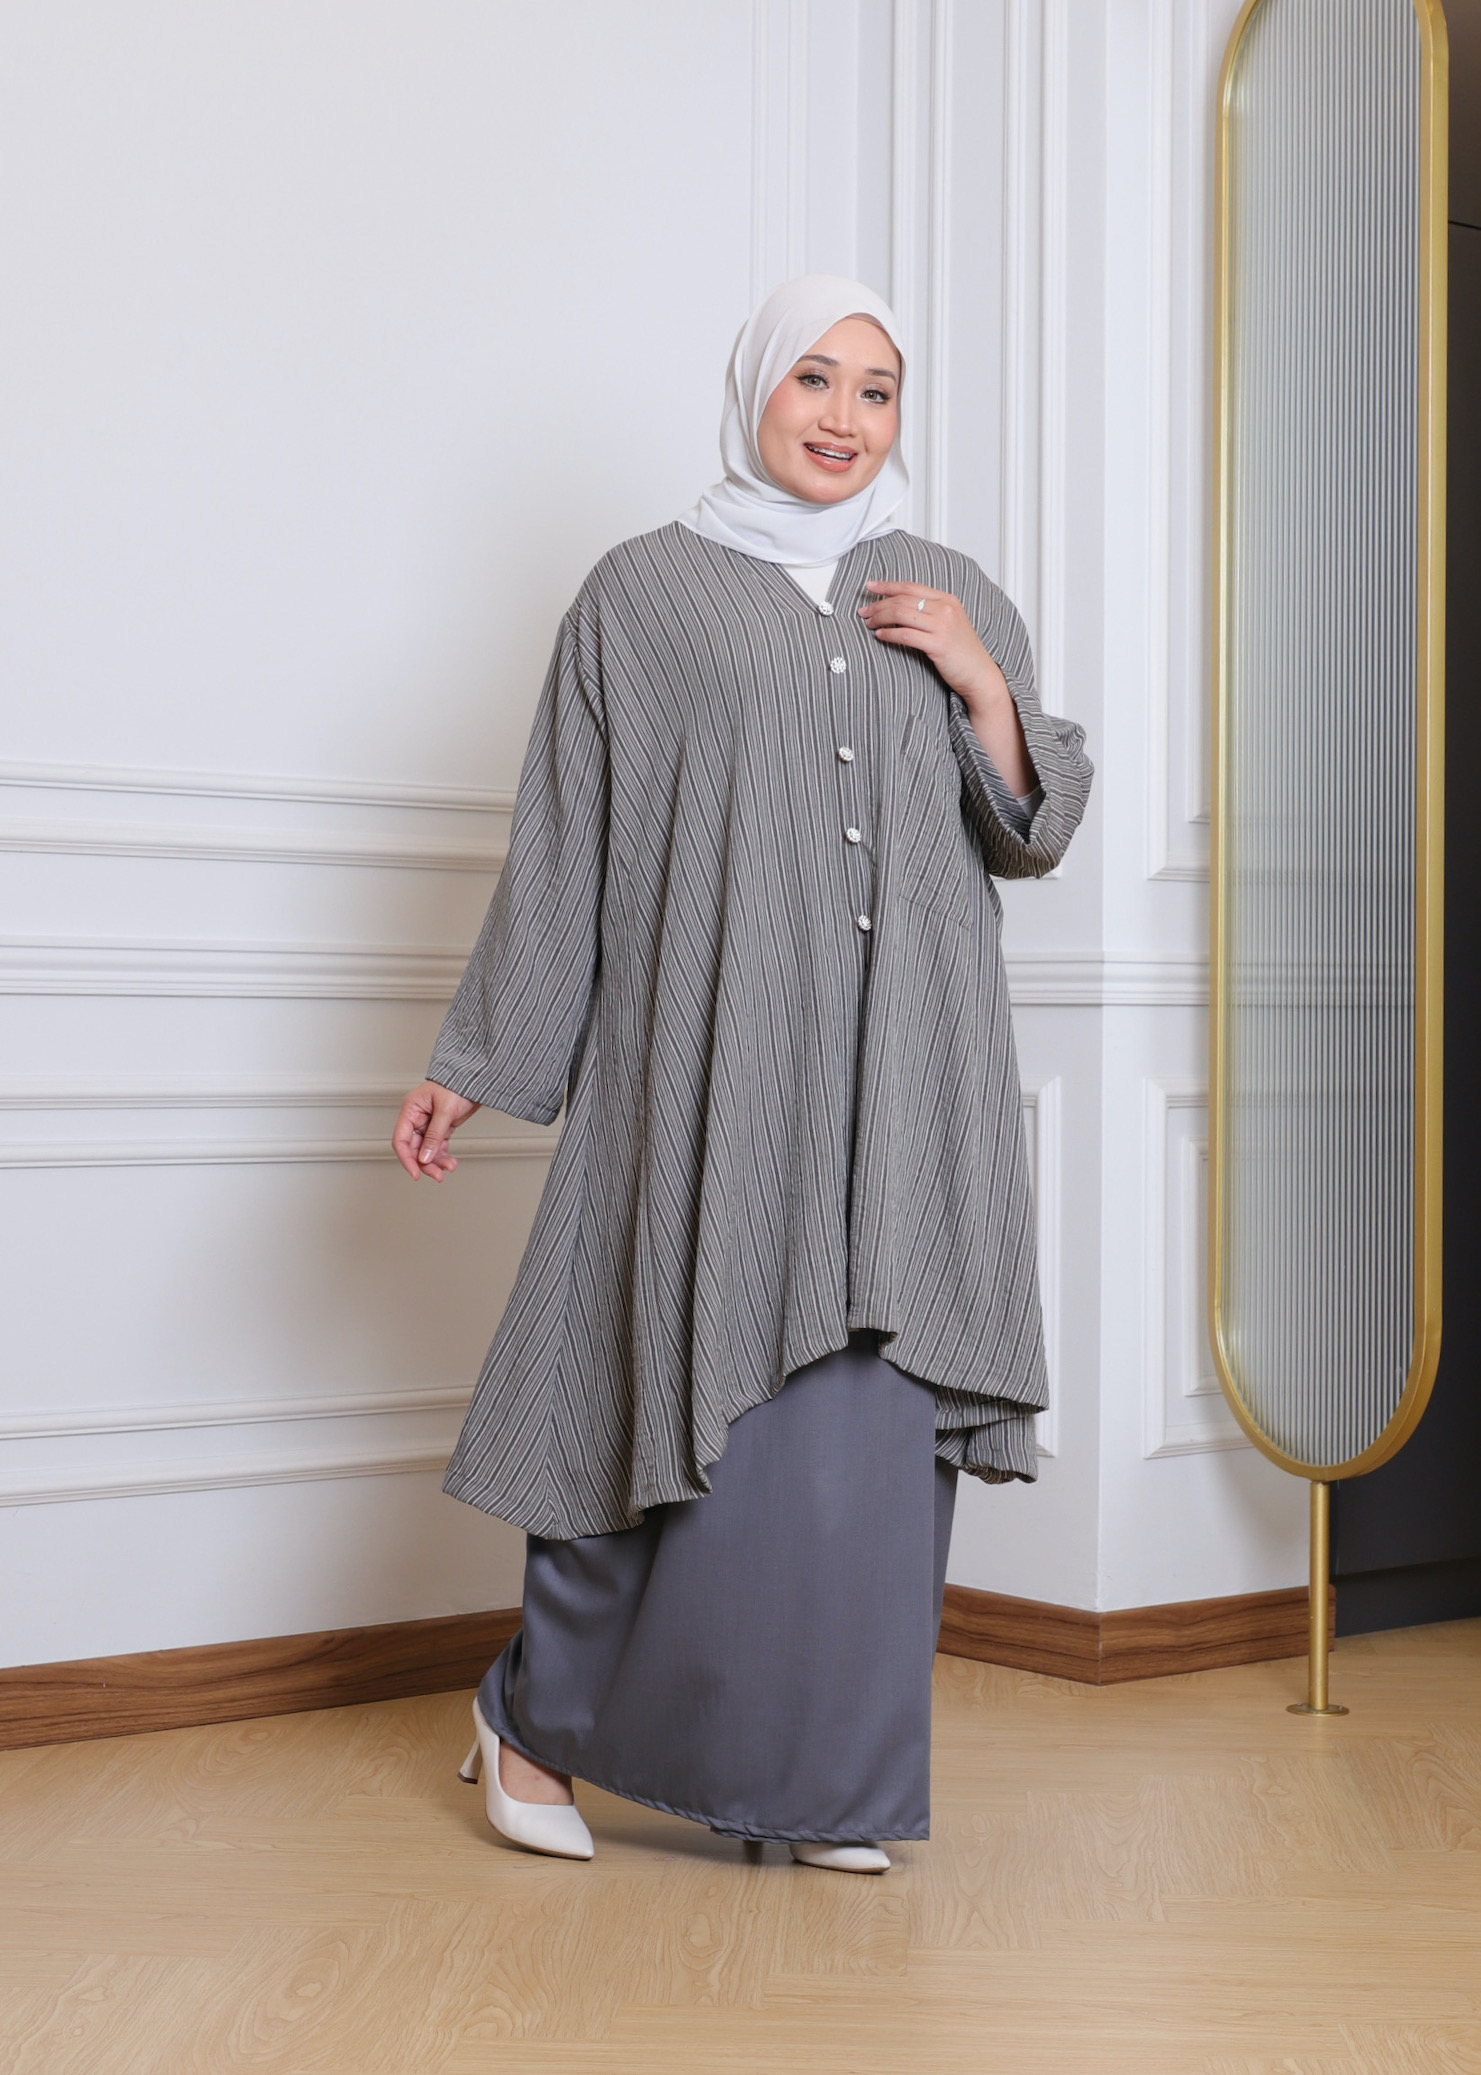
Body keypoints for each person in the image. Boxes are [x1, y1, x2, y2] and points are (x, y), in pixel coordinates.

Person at [392, 274, 1092, 1875]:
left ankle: (828, 1784)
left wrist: (982, 682)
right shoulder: (638, 595)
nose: (845, 419)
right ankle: (532, 1722)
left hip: (909, 1077)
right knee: (659, 1389)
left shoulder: (947, 586)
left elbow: (1027, 832)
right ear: (755, 391)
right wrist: (476, 1062)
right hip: (711, 1063)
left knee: (866, 1442)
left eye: (876, 390)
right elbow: (565, 840)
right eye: (813, 381)